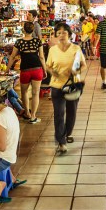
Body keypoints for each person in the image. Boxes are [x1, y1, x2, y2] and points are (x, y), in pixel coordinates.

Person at [46, 22, 87, 154]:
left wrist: (76, 71)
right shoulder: (53, 50)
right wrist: (53, 73)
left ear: (69, 34)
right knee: (58, 113)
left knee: (71, 112)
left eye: (64, 32)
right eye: (58, 33)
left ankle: (67, 133)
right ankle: (61, 141)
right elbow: (48, 66)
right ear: (55, 35)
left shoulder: (76, 49)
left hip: (72, 86)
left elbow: (83, 65)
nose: (61, 35)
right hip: (57, 86)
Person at [7, 22, 47, 124]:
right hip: (37, 69)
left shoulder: (19, 42)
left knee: (24, 92)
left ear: (23, 30)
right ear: (33, 30)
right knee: (35, 93)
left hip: (25, 70)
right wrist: (45, 70)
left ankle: (27, 114)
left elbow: (12, 56)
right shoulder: (37, 41)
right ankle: (33, 116)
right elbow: (41, 57)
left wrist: (6, 70)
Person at [0, 51, 27, 118]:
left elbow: (7, 74)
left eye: (0, 56)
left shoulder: (3, 66)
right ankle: (22, 104)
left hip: (3, 87)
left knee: (10, 96)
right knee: (9, 90)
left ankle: (20, 110)